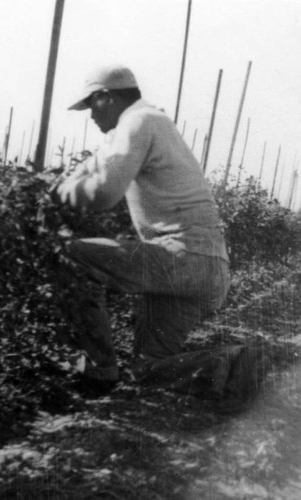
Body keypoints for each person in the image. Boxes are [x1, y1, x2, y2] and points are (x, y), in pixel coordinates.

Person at [51, 63, 231, 395]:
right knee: (149, 370)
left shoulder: (139, 121)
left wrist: (59, 195)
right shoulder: (145, 123)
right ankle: (245, 364)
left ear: (107, 97)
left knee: (69, 255)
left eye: (91, 105)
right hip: (204, 265)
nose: (90, 115)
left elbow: (105, 192)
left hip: (183, 257)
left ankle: (100, 369)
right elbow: (94, 164)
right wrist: (60, 182)